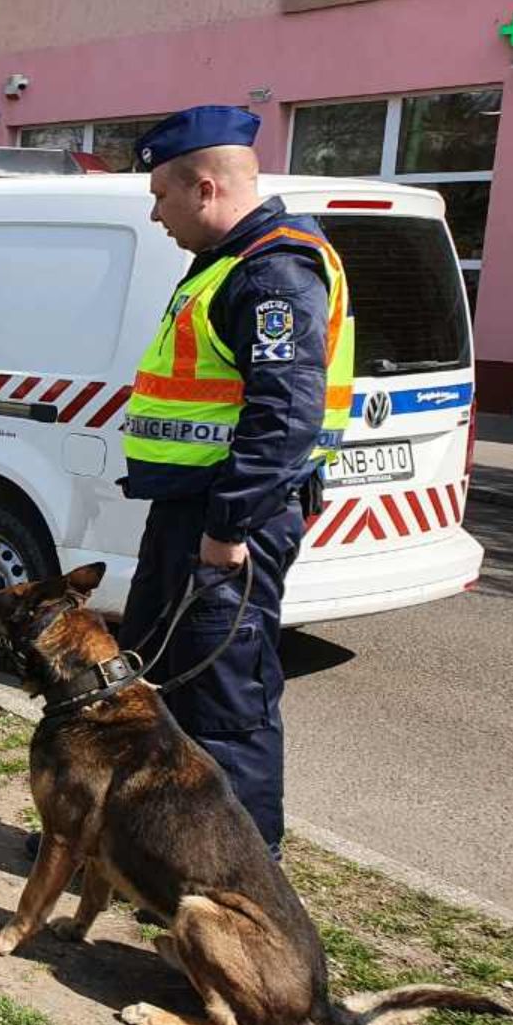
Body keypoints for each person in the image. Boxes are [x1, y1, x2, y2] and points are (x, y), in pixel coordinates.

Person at [119, 105, 354, 858]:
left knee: (227, 703)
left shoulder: (274, 270)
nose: (156, 213)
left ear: (207, 187)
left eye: (161, 195)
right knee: (155, 681)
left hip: (228, 528)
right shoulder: (224, 264)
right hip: (187, 516)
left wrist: (227, 531)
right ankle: (140, 846)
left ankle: (240, 881)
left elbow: (283, 418)